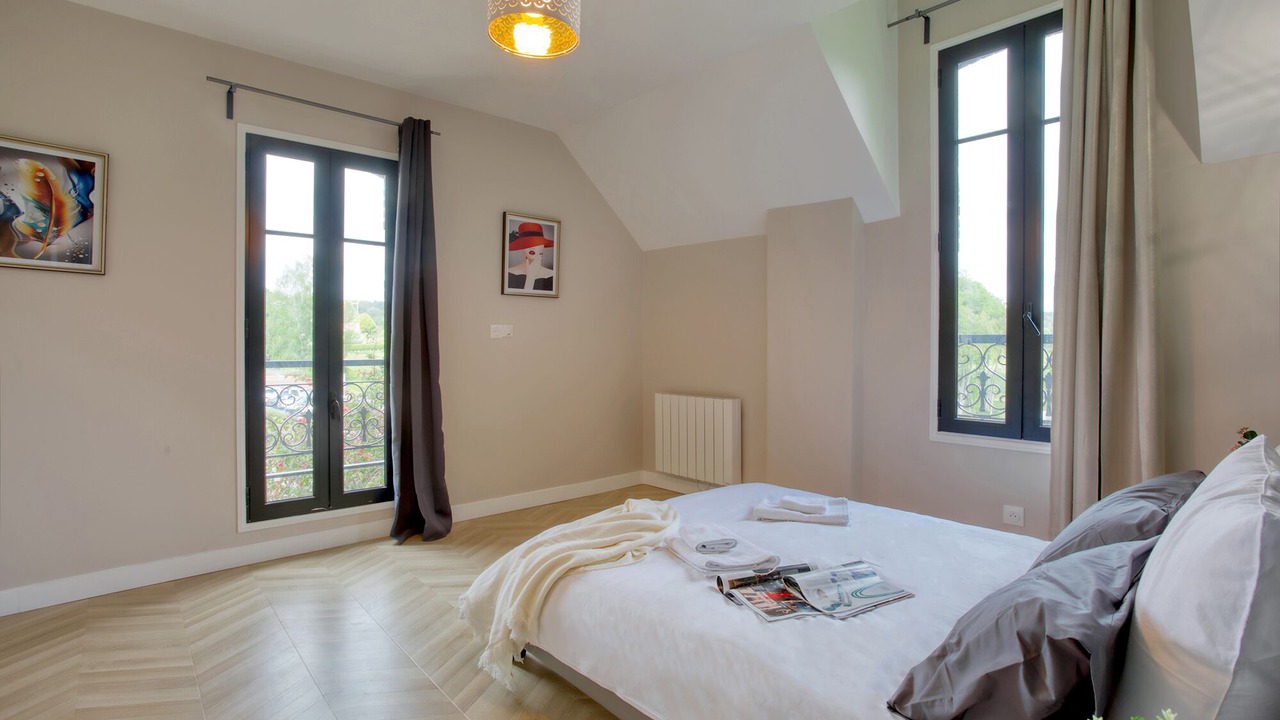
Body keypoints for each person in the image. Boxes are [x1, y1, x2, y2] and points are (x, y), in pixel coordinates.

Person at [506, 221, 555, 292]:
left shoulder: (552, 275)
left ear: (543, 246)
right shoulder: (508, 273)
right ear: (521, 246)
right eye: (527, 243)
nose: (532, 247)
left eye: (536, 243)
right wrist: (530, 277)